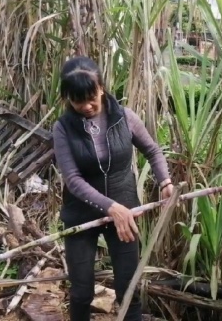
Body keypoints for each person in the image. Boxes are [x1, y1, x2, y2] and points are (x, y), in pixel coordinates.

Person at [52, 56, 174, 321]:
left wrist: (165, 181)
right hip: (81, 214)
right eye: (77, 100)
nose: (85, 106)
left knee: (128, 291)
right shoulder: (63, 129)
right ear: (67, 99)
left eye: (91, 97)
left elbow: (152, 151)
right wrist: (111, 207)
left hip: (124, 213)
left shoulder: (124, 117)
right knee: (82, 292)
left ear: (101, 88)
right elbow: (72, 180)